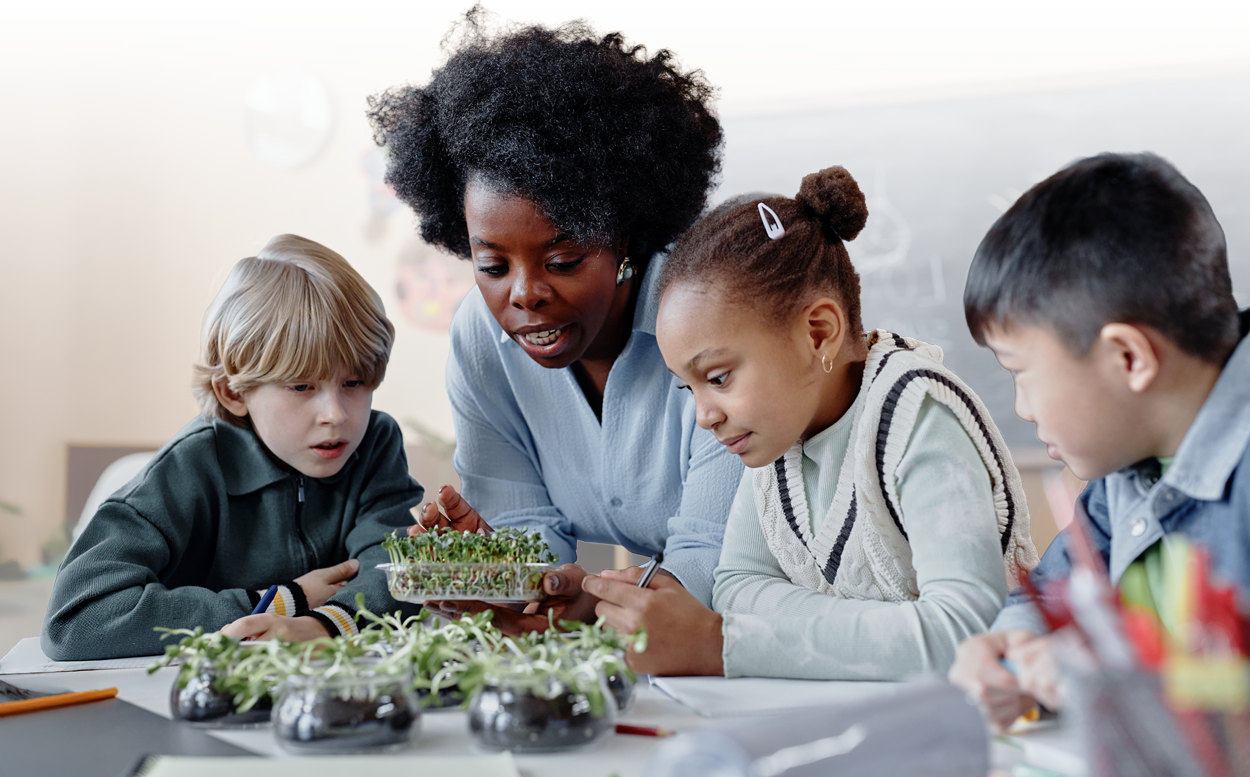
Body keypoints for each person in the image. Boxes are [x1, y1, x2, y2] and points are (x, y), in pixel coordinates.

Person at [364, 7, 742, 631]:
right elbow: (525, 531)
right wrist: (505, 576)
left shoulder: (715, 323)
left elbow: (712, 558)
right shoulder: (480, 338)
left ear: (627, 238)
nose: (525, 294)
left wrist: (587, 597)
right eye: (491, 266)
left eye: (563, 259)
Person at [588, 165, 1039, 677]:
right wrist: (902, 628)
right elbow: (734, 587)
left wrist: (724, 643)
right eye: (686, 387)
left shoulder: (916, 413)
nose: (704, 416)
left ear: (819, 332)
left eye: (717, 377)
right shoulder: (775, 435)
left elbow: (964, 633)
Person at [948, 154, 1250, 730]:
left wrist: (1109, 681)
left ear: (1128, 358)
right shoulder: (1129, 459)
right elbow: (1048, 595)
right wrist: (1010, 650)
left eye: (1018, 372)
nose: (1021, 408)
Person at [41, 235, 426, 660]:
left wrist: (321, 625)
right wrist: (283, 601)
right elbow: (75, 620)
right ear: (233, 393)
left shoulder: (375, 444)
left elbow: (396, 565)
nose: (335, 414)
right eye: (302, 386)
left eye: (353, 383)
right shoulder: (188, 468)